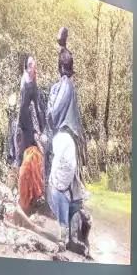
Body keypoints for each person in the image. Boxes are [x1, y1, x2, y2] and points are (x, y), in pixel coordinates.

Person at [46, 28, 87, 251]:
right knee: (70, 190)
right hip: (68, 142)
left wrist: (50, 102)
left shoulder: (65, 86)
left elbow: (54, 113)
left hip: (63, 140)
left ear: (62, 67)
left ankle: (63, 236)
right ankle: (70, 236)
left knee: (56, 187)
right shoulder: (68, 86)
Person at [15, 54, 45, 216]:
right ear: (28, 66)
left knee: (34, 162)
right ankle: (25, 199)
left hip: (31, 125)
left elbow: (37, 104)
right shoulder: (26, 81)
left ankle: (33, 197)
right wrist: (33, 131)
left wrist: (40, 126)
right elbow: (24, 109)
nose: (33, 67)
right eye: (31, 65)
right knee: (27, 162)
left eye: (34, 65)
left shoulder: (33, 80)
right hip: (25, 127)